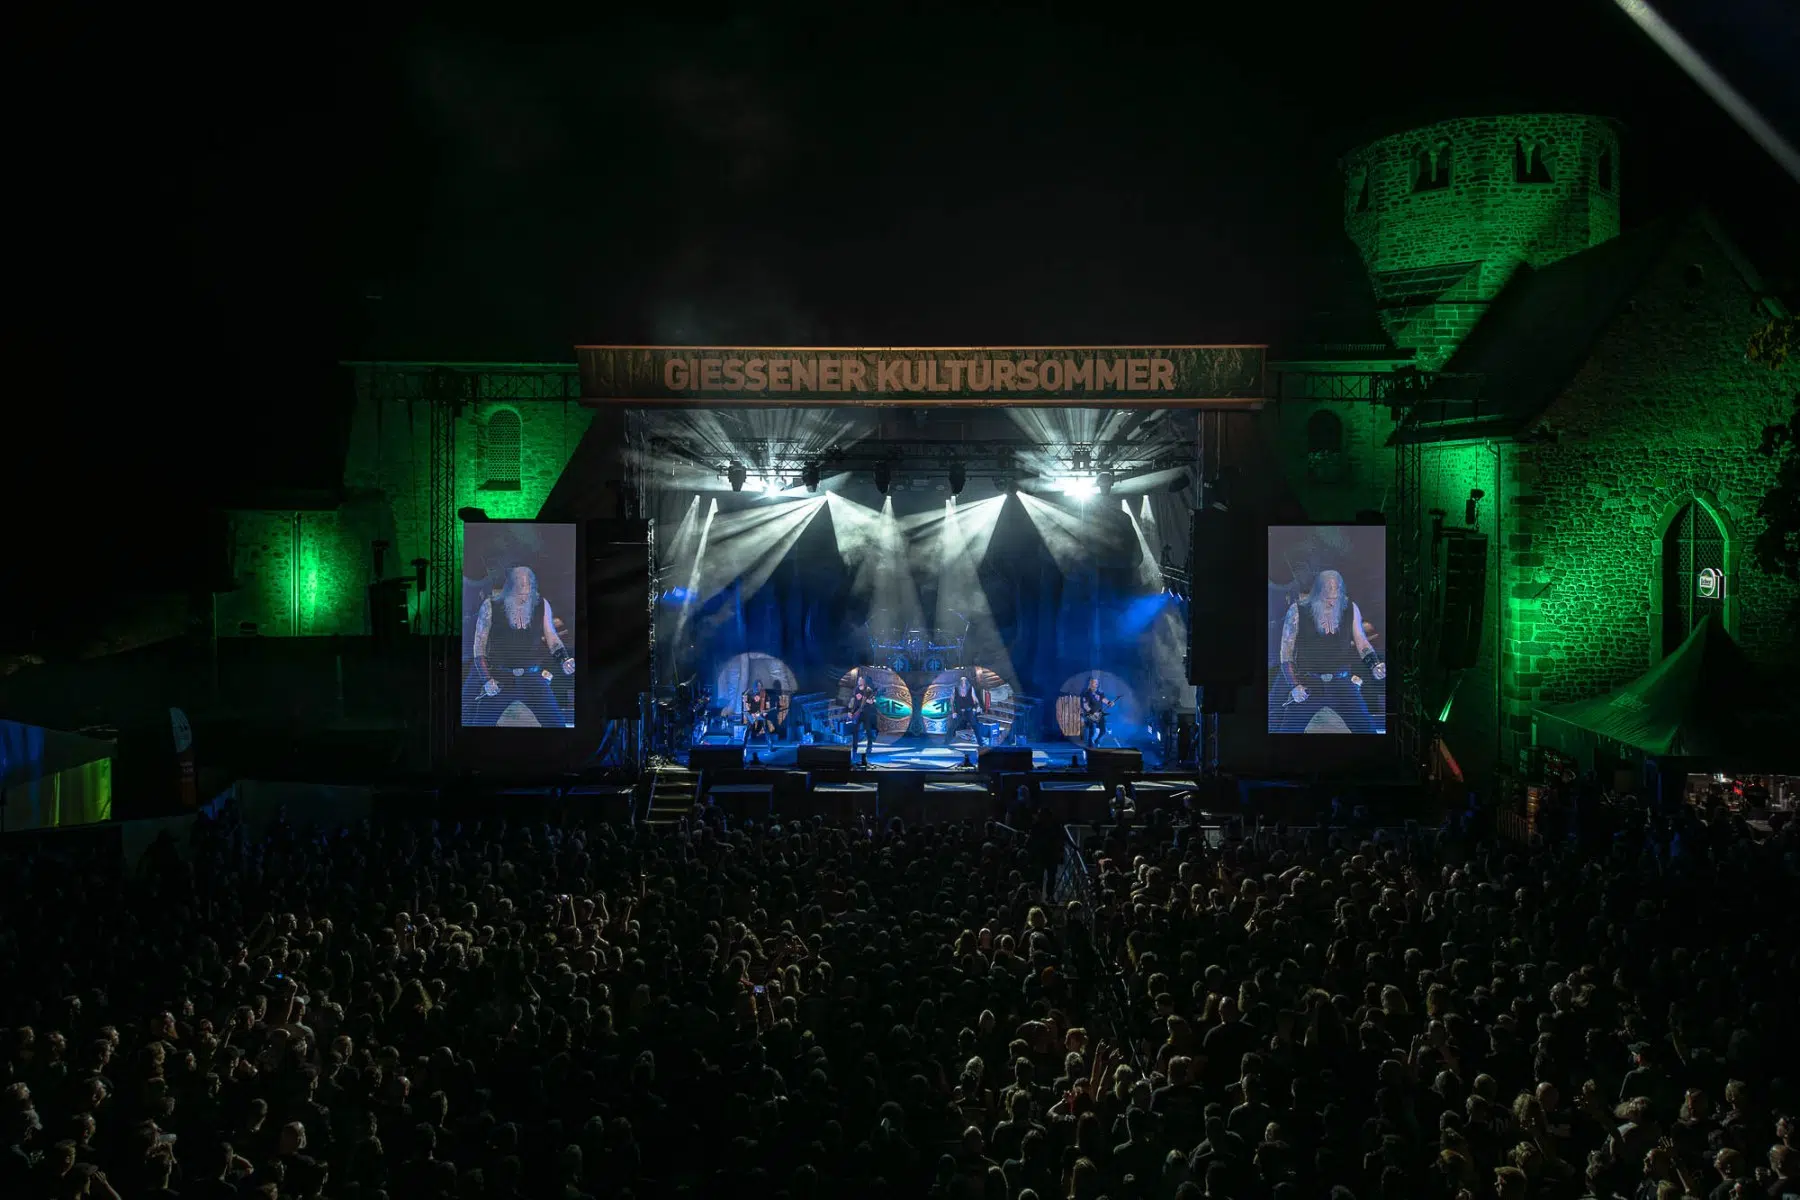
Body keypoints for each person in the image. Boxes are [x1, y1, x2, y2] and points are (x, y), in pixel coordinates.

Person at [1272, 568, 1383, 734]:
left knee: (1367, 729)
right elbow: (1286, 652)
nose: (1332, 601)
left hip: (1342, 683)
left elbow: (1362, 642)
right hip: (1309, 683)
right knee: (1288, 730)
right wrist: (1294, 685)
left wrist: (1374, 664)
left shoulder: (1350, 608)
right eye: (1327, 597)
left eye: (1336, 595)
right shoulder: (1298, 610)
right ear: (1317, 593)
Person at [470, 564, 574, 727]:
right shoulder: (491, 606)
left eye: (527, 591)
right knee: (479, 724)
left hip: (533, 677)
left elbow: (552, 638)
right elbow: (479, 645)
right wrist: (486, 678)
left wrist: (564, 659)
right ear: (509, 589)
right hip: (500, 677)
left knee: (556, 723)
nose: (524, 597)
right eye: (519, 593)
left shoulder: (541, 605)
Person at [949, 675, 988, 747]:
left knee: (975, 726)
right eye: (962, 680)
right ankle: (946, 742)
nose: (963, 682)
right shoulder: (956, 689)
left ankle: (980, 743)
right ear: (960, 682)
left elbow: (975, 699)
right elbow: (951, 701)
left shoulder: (970, 688)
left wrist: (978, 706)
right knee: (952, 726)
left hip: (969, 711)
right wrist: (953, 712)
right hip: (959, 712)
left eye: (965, 680)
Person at [849, 674, 879, 763]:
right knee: (855, 731)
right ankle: (854, 747)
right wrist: (851, 711)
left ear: (864, 681)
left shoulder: (868, 690)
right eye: (858, 680)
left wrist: (870, 701)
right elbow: (854, 701)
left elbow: (872, 701)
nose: (859, 682)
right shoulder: (856, 689)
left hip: (866, 713)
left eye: (861, 680)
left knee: (868, 730)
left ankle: (869, 746)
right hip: (857, 713)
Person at [1080, 678, 1113, 748]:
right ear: (1090, 683)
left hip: (1100, 714)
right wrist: (1092, 713)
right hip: (1090, 714)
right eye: (1095, 682)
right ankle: (1090, 745)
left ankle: (1097, 741)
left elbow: (1103, 699)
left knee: (1103, 731)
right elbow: (1085, 705)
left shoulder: (1100, 693)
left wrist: (1109, 702)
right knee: (1092, 731)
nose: (1096, 684)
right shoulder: (1086, 693)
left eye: (1097, 682)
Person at [743, 679, 775, 747]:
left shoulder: (764, 694)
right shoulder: (750, 694)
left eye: (760, 686)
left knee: (766, 727)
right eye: (757, 686)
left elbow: (767, 704)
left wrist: (766, 712)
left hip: (760, 713)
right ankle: (744, 744)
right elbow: (746, 705)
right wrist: (751, 713)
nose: (759, 687)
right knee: (748, 728)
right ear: (755, 686)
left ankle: (770, 745)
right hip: (752, 714)